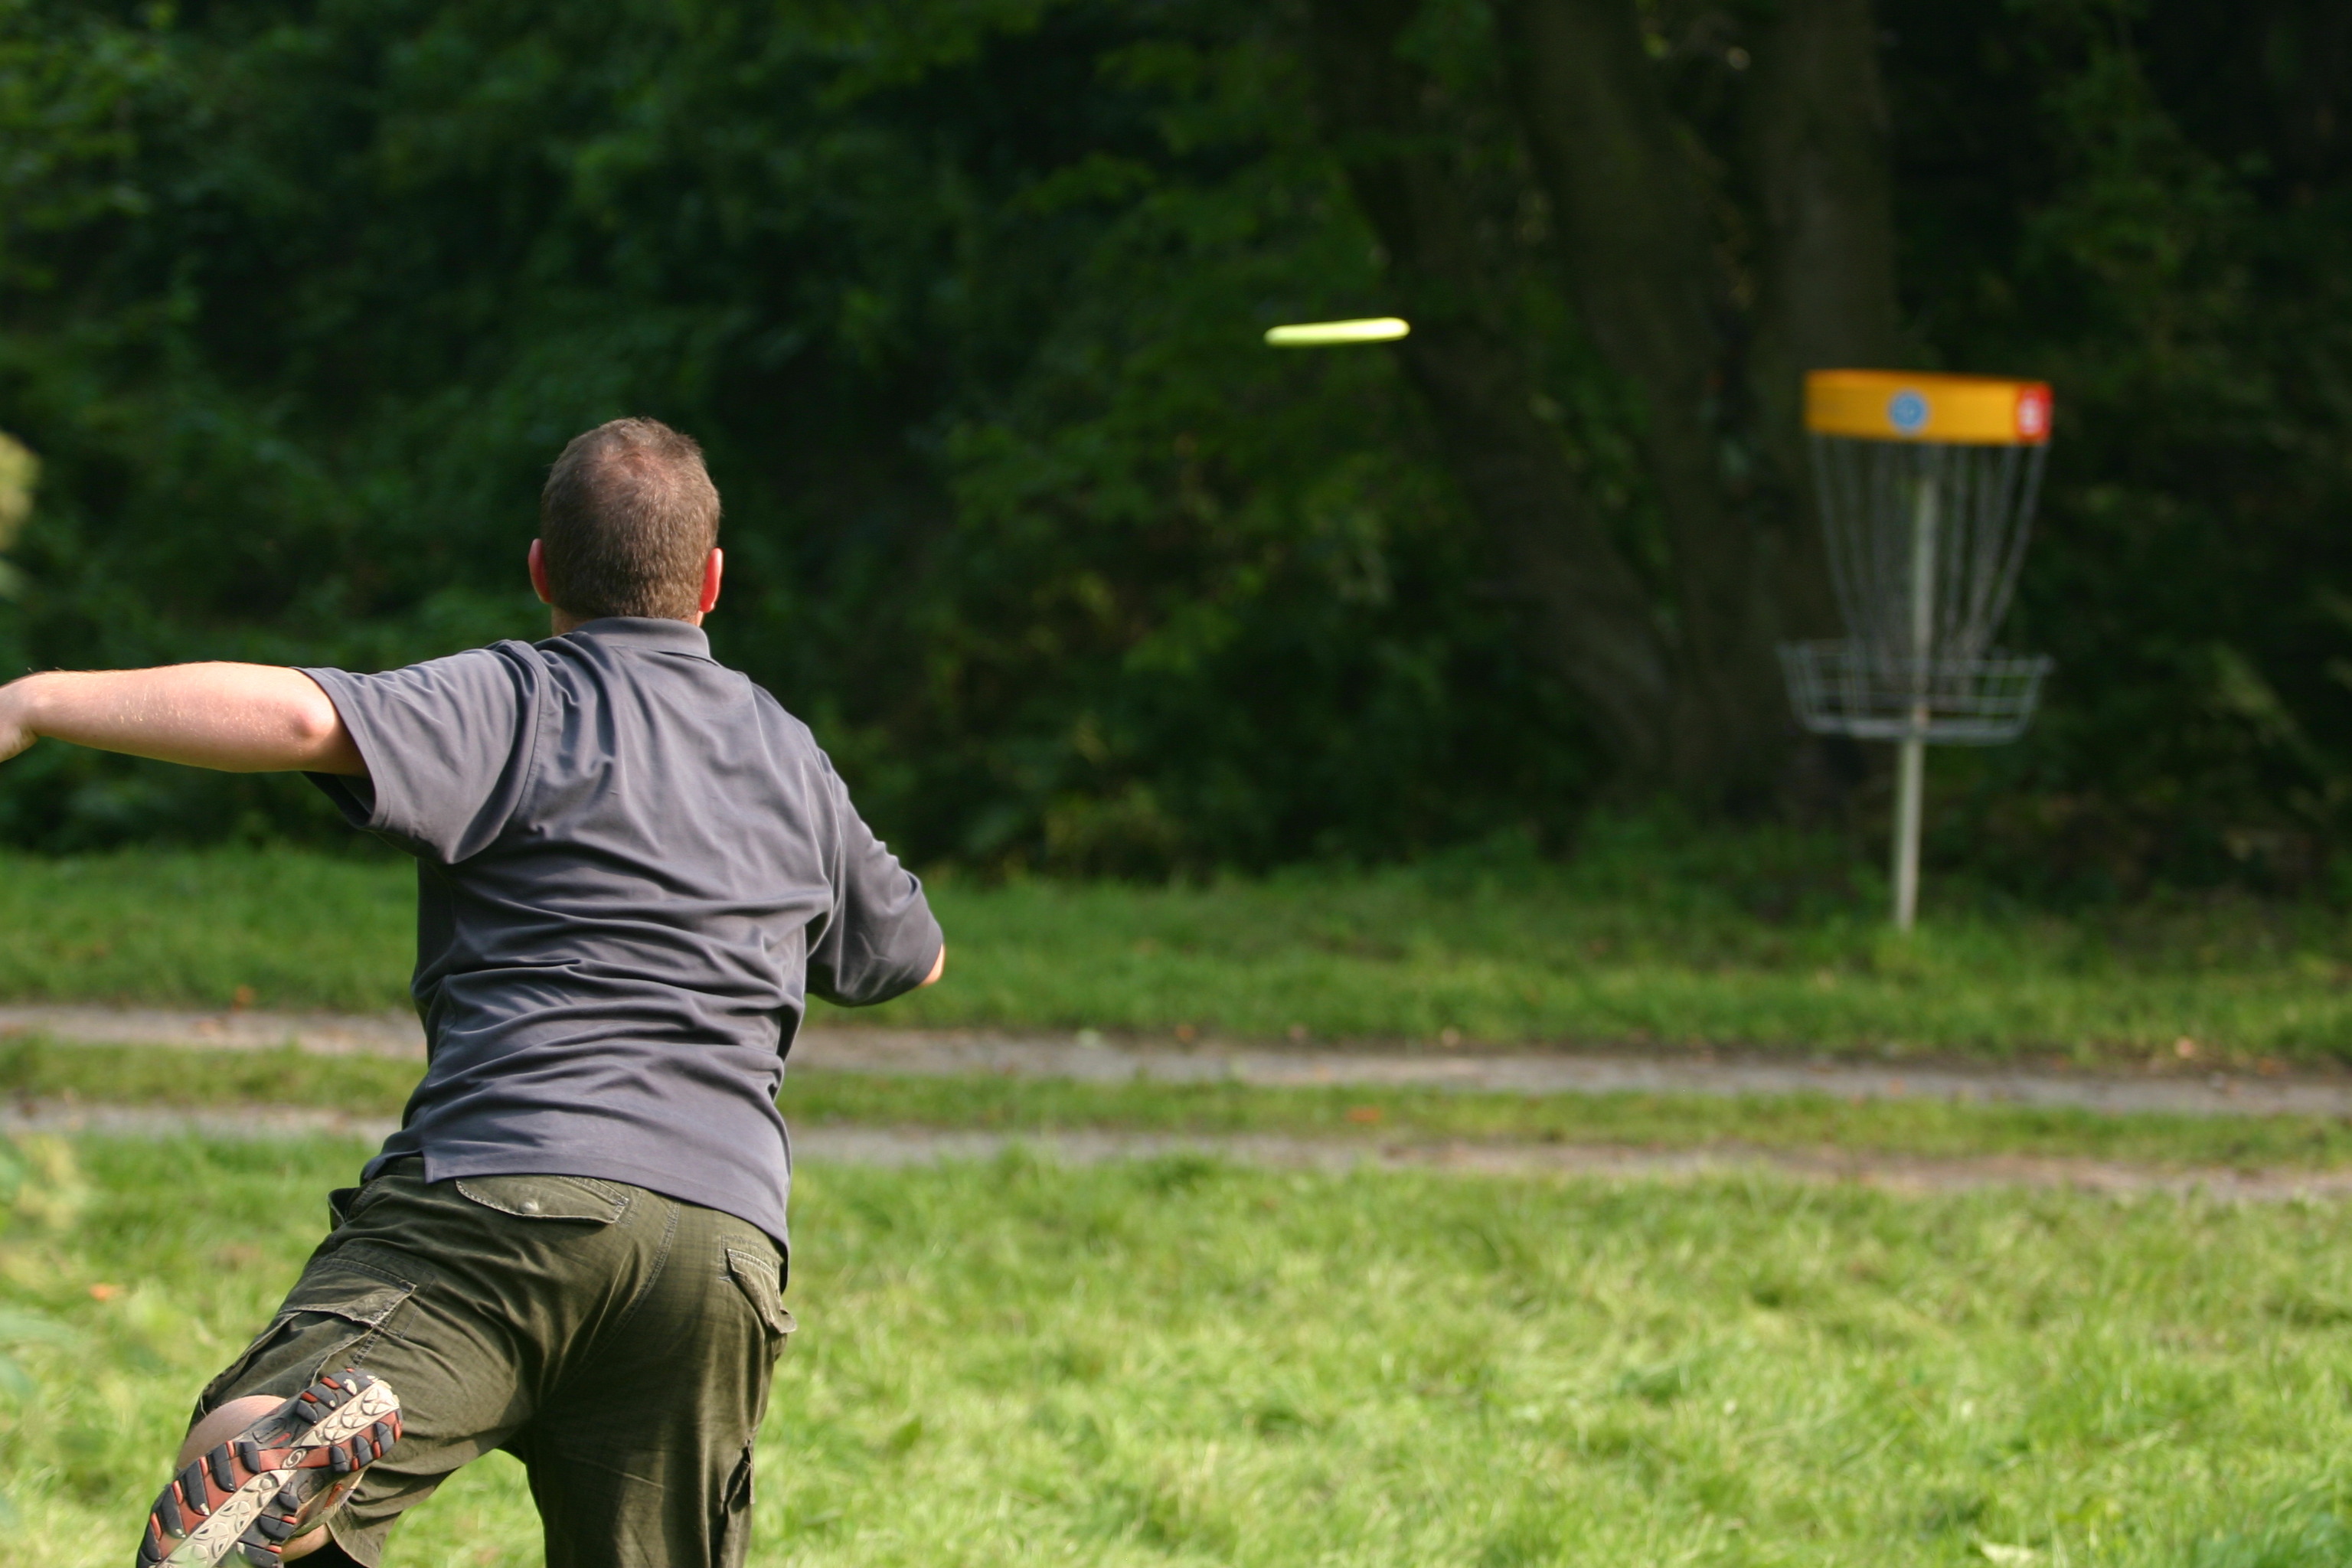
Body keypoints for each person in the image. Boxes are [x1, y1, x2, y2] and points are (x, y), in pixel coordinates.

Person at [0, 417, 945, 1568]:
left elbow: (301, 718)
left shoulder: (521, 696)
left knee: (245, 1461)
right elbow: (910, 952)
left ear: (542, 569)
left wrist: (35, 701)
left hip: (511, 1195)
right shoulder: (787, 751)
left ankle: (296, 1434)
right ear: (710, 582)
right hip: (723, 1250)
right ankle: (303, 1447)